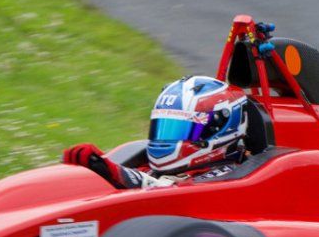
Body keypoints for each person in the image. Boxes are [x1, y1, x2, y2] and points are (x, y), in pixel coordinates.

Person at [63, 75, 251, 190]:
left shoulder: (231, 175)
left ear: (221, 130)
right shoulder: (163, 169)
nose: (167, 138)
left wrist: (110, 169)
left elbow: (174, 192)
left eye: (182, 129)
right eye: (164, 127)